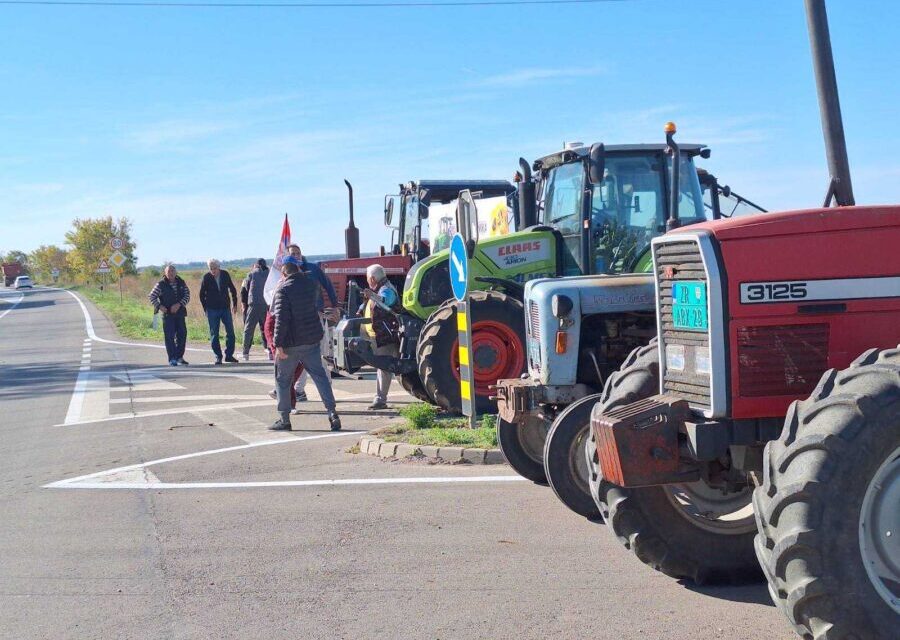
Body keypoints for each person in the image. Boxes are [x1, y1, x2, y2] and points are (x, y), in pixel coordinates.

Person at [269, 256, 341, 432]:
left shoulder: (282, 290)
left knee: (283, 380)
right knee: (320, 378)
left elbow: (281, 320)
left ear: (284, 272)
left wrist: (278, 344)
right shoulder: (311, 285)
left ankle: (284, 419)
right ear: (298, 269)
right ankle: (332, 414)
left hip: (290, 344)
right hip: (311, 341)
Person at [286, 243, 338, 400]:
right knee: (305, 355)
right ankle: (300, 389)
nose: (296, 255)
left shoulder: (312, 269)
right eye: (293, 254)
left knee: (316, 354)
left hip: (316, 317)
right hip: (298, 321)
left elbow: (327, 285)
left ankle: (313, 388)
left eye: (298, 253)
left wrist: (335, 305)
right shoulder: (288, 274)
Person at [361, 264, 401, 409]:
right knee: (382, 368)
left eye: (367, 278)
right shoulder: (381, 288)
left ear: (372, 278)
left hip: (385, 336)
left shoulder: (386, 289)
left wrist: (373, 296)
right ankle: (380, 398)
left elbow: (386, 300)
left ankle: (380, 399)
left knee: (384, 368)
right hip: (379, 336)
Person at [148, 264, 190, 366]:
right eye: (168, 271)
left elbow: (187, 295)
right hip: (168, 315)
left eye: (172, 271)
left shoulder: (181, 282)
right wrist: (159, 306)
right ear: (165, 273)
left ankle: (179, 357)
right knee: (169, 336)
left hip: (180, 313)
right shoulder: (160, 284)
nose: (171, 273)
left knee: (182, 335)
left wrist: (179, 304)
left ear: (176, 272)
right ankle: (172, 358)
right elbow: (151, 296)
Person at [199, 258, 239, 364]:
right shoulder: (206, 277)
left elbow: (233, 289)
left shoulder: (225, 274)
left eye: (215, 268)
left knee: (230, 332)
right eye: (211, 269)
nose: (213, 271)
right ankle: (218, 355)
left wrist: (235, 304)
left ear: (219, 267)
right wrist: (205, 308)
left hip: (225, 308)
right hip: (212, 309)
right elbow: (201, 294)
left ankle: (229, 355)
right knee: (214, 333)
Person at [241, 258, 269, 361]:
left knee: (248, 329)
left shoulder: (251, 274)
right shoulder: (269, 274)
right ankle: (269, 350)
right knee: (267, 328)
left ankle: (245, 353)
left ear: (256, 265)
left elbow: (246, 288)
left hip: (253, 304)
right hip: (265, 304)